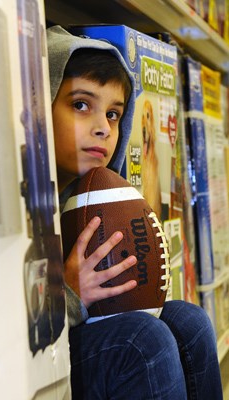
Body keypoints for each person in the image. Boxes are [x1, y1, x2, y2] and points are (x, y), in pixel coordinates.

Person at [46, 25, 223, 399]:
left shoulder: (103, 196)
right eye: (81, 105)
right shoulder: (18, 200)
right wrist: (70, 296)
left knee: (188, 320)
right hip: (38, 360)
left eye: (113, 114)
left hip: (73, 341)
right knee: (143, 342)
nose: (102, 129)